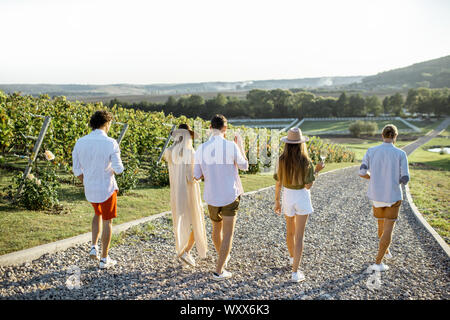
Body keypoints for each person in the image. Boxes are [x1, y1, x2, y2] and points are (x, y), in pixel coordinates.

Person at [194, 114, 248, 280]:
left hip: (211, 196)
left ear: (210, 128)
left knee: (216, 230)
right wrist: (241, 148)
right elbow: (244, 166)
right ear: (225, 129)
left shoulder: (201, 148)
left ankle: (222, 258)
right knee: (228, 234)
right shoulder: (231, 146)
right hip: (230, 195)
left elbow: (196, 175)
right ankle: (219, 270)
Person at [72, 110, 124, 269]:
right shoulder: (111, 143)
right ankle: (104, 258)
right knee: (108, 220)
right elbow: (119, 169)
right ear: (106, 123)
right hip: (107, 189)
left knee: (97, 214)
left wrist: (87, 181)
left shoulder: (80, 142)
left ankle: (94, 246)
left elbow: (76, 170)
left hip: (90, 190)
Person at [274, 127, 324, 283]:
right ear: (301, 143)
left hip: (287, 196)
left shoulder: (281, 160)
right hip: (301, 196)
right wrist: (317, 171)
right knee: (299, 235)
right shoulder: (306, 161)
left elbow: (278, 182)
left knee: (290, 232)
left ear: (287, 144)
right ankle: (295, 272)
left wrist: (277, 201)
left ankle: (291, 259)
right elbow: (308, 186)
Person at [359, 124, 409, 272]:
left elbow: (362, 172)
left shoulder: (371, 151)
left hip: (376, 196)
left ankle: (386, 251)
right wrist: (393, 180)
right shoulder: (400, 153)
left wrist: (374, 179)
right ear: (395, 137)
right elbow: (405, 178)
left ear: (382, 135)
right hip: (393, 196)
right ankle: (378, 262)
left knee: (381, 226)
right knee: (388, 229)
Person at [162, 123, 208, 267]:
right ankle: (185, 251)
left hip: (176, 192)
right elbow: (191, 177)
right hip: (189, 192)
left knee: (180, 222)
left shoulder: (169, 152)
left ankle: (182, 249)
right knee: (196, 222)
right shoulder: (190, 153)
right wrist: (201, 175)